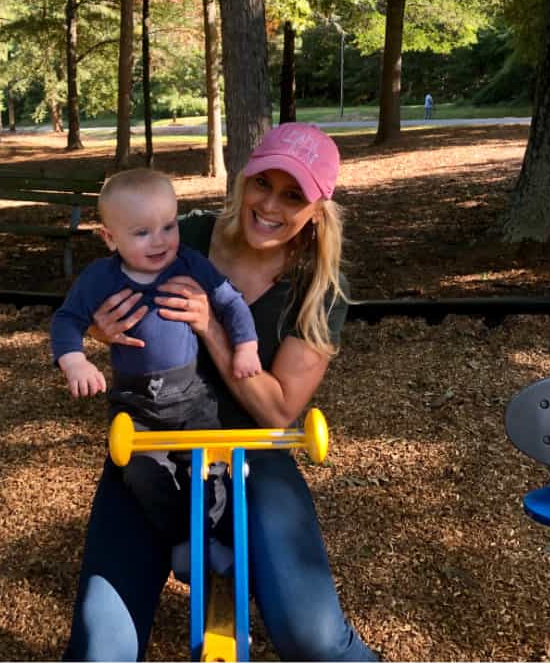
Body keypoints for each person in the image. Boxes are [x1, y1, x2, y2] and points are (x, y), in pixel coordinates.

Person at [62, 123, 379, 662]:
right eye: (263, 184)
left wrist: (213, 327)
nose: (270, 205)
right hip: (154, 446)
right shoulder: (183, 236)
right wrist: (97, 328)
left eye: (293, 194)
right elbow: (96, 284)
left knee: (315, 639)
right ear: (243, 178)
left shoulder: (319, 285)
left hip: (252, 454)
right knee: (99, 650)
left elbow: (280, 410)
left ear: (318, 206)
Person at [52, 168, 260, 557]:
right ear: (109, 238)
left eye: (168, 226)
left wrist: (246, 346)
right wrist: (74, 360)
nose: (160, 241)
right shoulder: (100, 278)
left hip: (191, 396)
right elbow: (66, 319)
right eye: (142, 232)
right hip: (135, 404)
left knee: (209, 468)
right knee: (141, 473)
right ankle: (183, 541)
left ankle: (215, 537)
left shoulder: (188, 263)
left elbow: (230, 300)